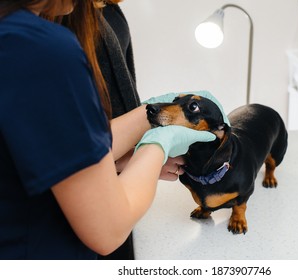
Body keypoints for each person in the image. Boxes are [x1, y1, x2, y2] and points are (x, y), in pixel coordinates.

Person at [0, 0, 226, 259]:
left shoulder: (14, 34)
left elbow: (66, 142)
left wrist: (154, 113)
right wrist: (156, 145)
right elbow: (109, 228)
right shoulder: (44, 49)